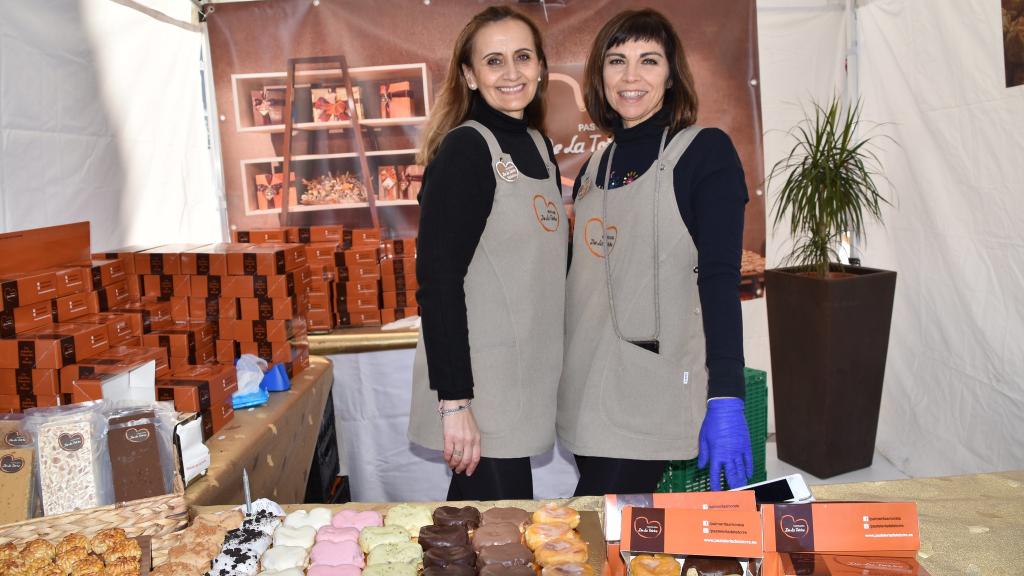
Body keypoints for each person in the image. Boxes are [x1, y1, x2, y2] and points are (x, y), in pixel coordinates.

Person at [558, 8, 753, 495]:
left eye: (648, 61)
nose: (630, 76)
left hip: (649, 393)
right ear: (599, 76)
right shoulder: (592, 168)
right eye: (616, 60)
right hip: (584, 390)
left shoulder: (704, 154)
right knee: (616, 536)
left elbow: (719, 279)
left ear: (671, 76)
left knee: (600, 526)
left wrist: (725, 395)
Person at [407, 6, 566, 501]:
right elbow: (438, 282)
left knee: (492, 538)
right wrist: (455, 403)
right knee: (497, 537)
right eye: (494, 61)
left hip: (526, 382)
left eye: (522, 56)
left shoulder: (539, 147)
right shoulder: (466, 151)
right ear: (470, 76)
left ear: (541, 66)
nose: (512, 72)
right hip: (480, 387)